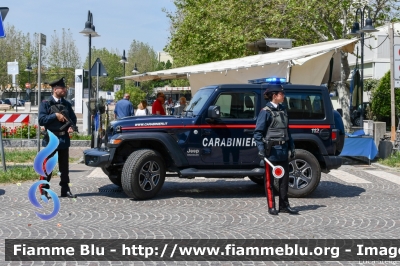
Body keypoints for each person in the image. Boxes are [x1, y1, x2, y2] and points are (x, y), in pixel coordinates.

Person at [253, 84, 298, 215]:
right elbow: (258, 133)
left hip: (283, 150)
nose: (283, 96)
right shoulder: (265, 112)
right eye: (281, 94)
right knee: (270, 181)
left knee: (284, 181)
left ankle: (284, 206)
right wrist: (261, 149)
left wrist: (292, 146)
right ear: (275, 96)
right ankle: (271, 206)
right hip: (271, 152)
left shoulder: (283, 110)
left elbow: (287, 130)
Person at [38, 77, 77, 198]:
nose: (65, 90)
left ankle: (65, 190)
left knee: (64, 167)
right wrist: (55, 115)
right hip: (51, 139)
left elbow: (73, 119)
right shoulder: (46, 104)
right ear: (55, 89)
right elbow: (41, 120)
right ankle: (44, 190)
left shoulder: (66, 104)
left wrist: (72, 127)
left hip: (64, 139)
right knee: (47, 167)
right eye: (63, 88)